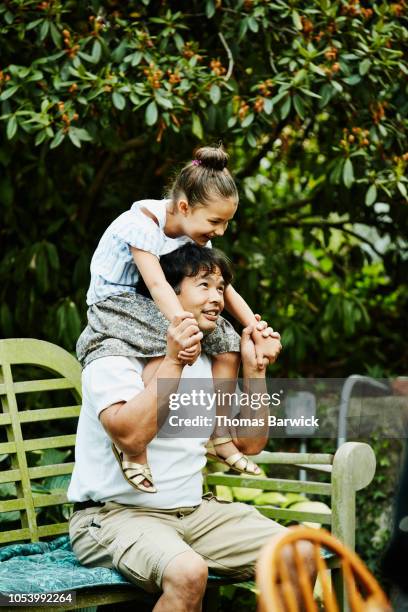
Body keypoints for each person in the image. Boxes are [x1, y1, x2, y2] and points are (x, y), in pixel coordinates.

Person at [68, 244, 313, 611]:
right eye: (204, 285)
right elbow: (130, 436)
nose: (217, 298)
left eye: (220, 288)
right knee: (187, 573)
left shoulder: (212, 356)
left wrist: (255, 369)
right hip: (113, 515)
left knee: (301, 554)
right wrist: (172, 360)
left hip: (193, 513)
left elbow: (248, 444)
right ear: (166, 291)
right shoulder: (113, 352)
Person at [76, 144, 281, 493]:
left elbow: (226, 289)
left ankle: (220, 433)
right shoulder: (141, 224)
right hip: (116, 302)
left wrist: (253, 328)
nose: (221, 231)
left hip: (153, 302)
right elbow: (157, 285)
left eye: (227, 222)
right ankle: (135, 452)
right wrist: (184, 328)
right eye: (215, 221)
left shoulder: (190, 228)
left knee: (229, 342)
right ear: (184, 206)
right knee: (168, 340)